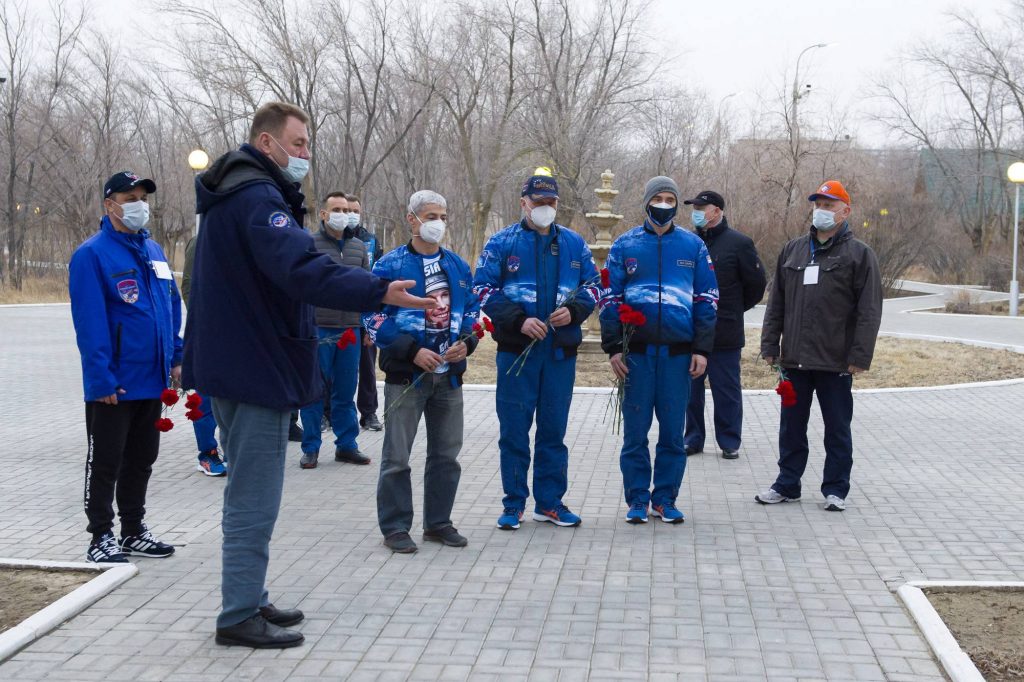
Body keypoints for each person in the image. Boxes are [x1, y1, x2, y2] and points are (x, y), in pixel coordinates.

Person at [182, 101, 434, 649]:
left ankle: (249, 594)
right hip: (255, 367)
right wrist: (376, 290)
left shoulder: (237, 194)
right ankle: (238, 616)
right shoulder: (255, 197)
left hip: (238, 362)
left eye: (306, 145)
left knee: (251, 493)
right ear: (266, 143)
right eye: (297, 144)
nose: (304, 155)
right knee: (255, 497)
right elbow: (300, 267)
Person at [473, 172, 599, 530]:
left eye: (551, 202)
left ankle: (550, 502)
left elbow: (595, 287)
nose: (545, 208)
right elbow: (482, 288)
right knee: (514, 430)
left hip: (559, 354)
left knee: (553, 431)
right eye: (538, 202)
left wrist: (574, 311)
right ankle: (514, 503)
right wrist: (517, 320)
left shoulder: (575, 244)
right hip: (517, 354)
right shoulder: (501, 243)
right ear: (523, 202)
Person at [69, 171, 180, 563]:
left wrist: (177, 357)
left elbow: (171, 306)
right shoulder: (92, 254)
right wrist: (100, 378)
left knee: (141, 459)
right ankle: (100, 534)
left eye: (141, 197)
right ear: (109, 205)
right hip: (114, 383)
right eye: (128, 197)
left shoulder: (154, 252)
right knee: (105, 462)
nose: (138, 204)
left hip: (152, 378)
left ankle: (134, 529)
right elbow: (90, 322)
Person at [365, 190, 480, 554]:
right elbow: (371, 316)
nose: (438, 224)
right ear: (412, 219)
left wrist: (468, 342)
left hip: (449, 377)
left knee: (447, 454)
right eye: (431, 216)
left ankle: (438, 523)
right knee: (397, 455)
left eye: (443, 217)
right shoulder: (389, 266)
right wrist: (412, 351)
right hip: (406, 377)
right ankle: (396, 526)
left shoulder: (459, 267)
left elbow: (474, 311)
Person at [756, 180, 882, 512]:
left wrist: (859, 355)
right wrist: (770, 344)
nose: (821, 211)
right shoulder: (793, 250)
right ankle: (787, 484)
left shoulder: (859, 255)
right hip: (795, 359)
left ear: (845, 211)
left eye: (829, 205)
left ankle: (835, 489)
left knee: (837, 428)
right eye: (818, 204)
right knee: (791, 427)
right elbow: (776, 304)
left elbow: (869, 310)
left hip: (836, 361)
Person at [600, 176, 718, 525]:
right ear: (647, 202)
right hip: (636, 356)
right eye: (659, 198)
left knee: (671, 434)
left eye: (670, 199)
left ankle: (665, 498)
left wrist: (701, 348)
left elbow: (707, 299)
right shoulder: (625, 245)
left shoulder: (693, 247)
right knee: (636, 433)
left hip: (678, 358)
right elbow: (610, 298)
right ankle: (637, 499)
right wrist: (613, 348)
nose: (664, 205)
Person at [682, 190, 766, 460]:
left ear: (716, 211)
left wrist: (733, 309)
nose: (696, 211)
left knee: (726, 389)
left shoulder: (739, 243)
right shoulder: (688, 241)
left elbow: (756, 285)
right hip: (691, 329)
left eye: (701, 207)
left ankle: (729, 440)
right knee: (691, 391)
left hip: (724, 331)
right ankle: (693, 438)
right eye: (694, 207)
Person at [297, 192, 371, 469]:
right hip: (318, 328)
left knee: (345, 390)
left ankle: (347, 445)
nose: (343, 214)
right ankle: (311, 446)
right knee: (314, 390)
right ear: (324, 215)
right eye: (336, 209)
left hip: (350, 328)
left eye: (346, 209)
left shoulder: (359, 247)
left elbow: (367, 287)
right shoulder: (309, 245)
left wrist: (365, 326)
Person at [182, 234, 226, 476]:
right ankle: (207, 454)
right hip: (208, 332)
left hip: (240, 334)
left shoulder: (246, 237)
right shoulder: (201, 241)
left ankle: (233, 451)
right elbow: (188, 284)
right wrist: (204, 320)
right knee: (205, 396)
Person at [348, 194, 385, 432]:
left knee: (368, 367)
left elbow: (379, 280)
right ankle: (327, 413)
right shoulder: (322, 241)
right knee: (331, 370)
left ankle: (369, 412)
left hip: (366, 314)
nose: (350, 215)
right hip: (336, 316)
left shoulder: (370, 241)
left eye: (355, 211)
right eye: (345, 210)